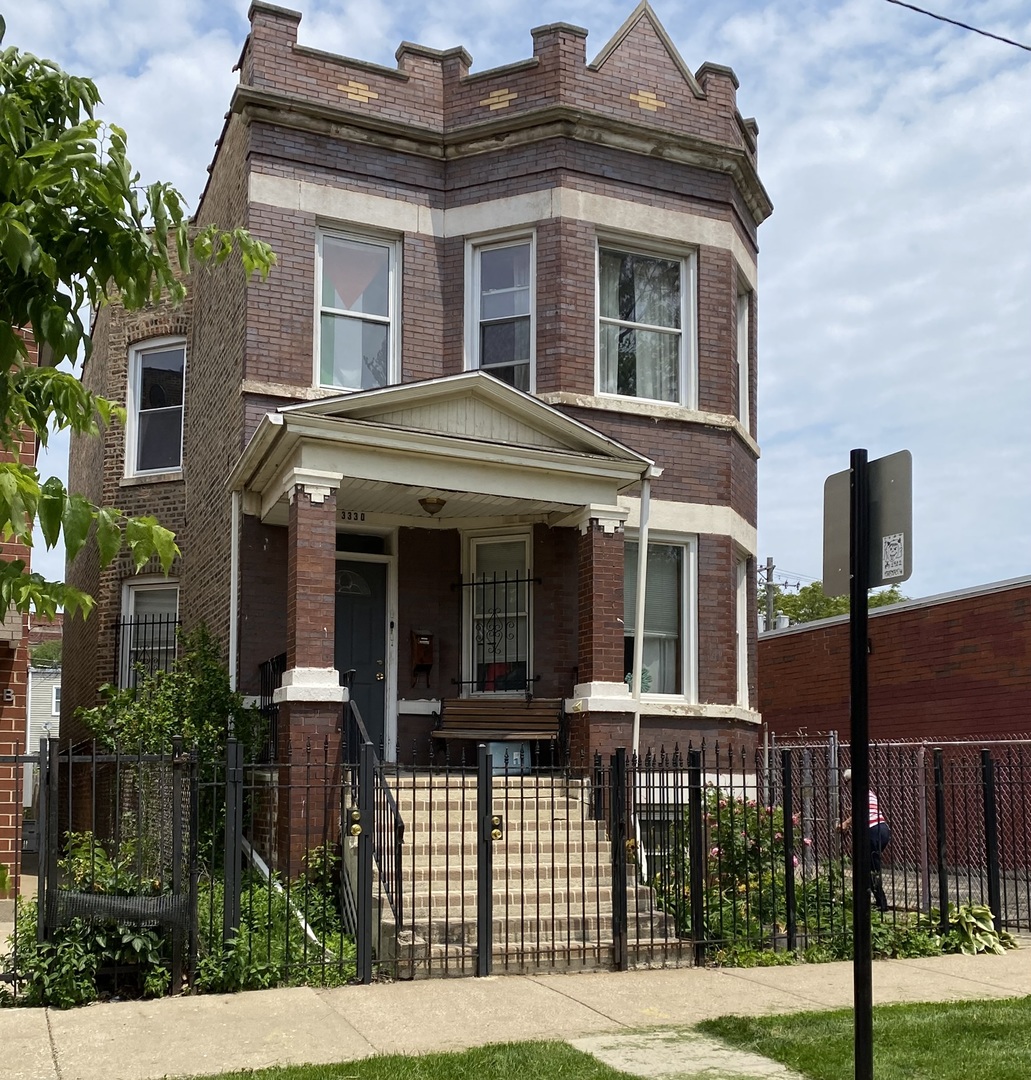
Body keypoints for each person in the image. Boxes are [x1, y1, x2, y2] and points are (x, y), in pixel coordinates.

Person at [839, 767, 891, 913]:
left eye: (847, 782)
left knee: (871, 869)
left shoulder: (859, 793)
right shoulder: (869, 792)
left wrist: (845, 823)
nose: (847, 786)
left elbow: (860, 811)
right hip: (882, 829)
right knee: (867, 866)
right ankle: (871, 898)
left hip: (873, 831)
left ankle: (881, 904)